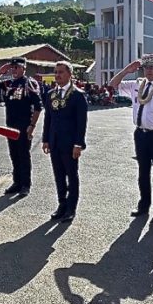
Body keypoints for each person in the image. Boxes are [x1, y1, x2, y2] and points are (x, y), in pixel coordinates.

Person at [110, 54, 153, 223]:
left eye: (152, 67)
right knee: (143, 172)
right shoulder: (137, 84)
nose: (148, 71)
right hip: (141, 134)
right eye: (145, 68)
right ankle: (143, 205)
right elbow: (113, 84)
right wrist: (127, 70)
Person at [0, 57, 42, 197]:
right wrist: (1, 71)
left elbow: (38, 107)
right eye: (12, 67)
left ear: (23, 68)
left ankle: (25, 184)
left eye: (16, 67)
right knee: (14, 155)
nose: (14, 70)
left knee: (24, 155)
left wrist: (32, 125)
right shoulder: (9, 83)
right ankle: (16, 182)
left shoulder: (29, 83)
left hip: (24, 126)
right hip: (10, 125)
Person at [42, 61, 88, 222]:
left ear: (70, 74)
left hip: (70, 144)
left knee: (71, 176)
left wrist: (78, 144)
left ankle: (71, 208)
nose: (57, 75)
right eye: (55, 72)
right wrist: (45, 139)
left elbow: (81, 123)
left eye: (61, 72)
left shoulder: (77, 95)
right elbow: (48, 118)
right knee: (59, 175)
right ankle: (62, 204)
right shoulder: (50, 94)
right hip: (54, 142)